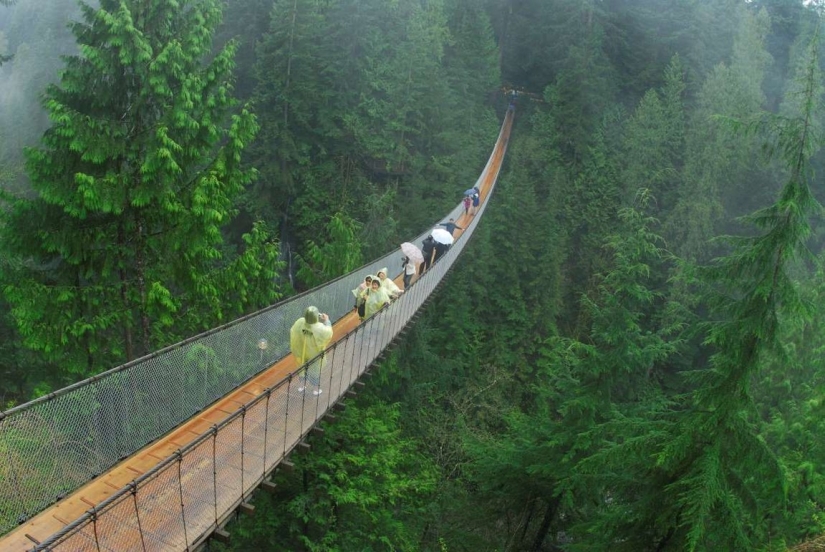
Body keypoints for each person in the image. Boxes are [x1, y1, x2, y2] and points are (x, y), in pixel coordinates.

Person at [289, 306, 333, 396]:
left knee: (302, 368)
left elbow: (293, 331)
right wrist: (327, 321)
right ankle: (315, 390)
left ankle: (302, 386)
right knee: (314, 371)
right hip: (314, 354)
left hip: (302, 352)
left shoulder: (300, 322)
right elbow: (329, 333)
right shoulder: (320, 328)